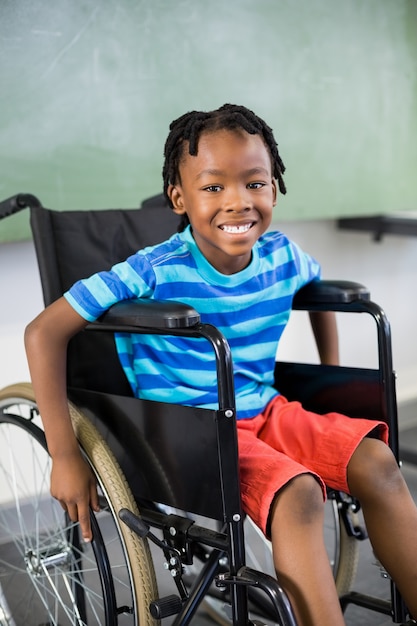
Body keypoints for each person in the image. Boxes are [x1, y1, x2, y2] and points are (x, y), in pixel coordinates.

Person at [25, 104, 417, 626]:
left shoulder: (283, 255)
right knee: (299, 493)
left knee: (379, 463)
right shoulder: (153, 269)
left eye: (255, 182)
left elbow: (315, 291)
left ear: (275, 188)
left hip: (265, 409)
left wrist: (332, 374)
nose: (238, 201)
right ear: (179, 199)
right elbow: (43, 332)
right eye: (213, 188)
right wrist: (64, 453)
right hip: (192, 429)